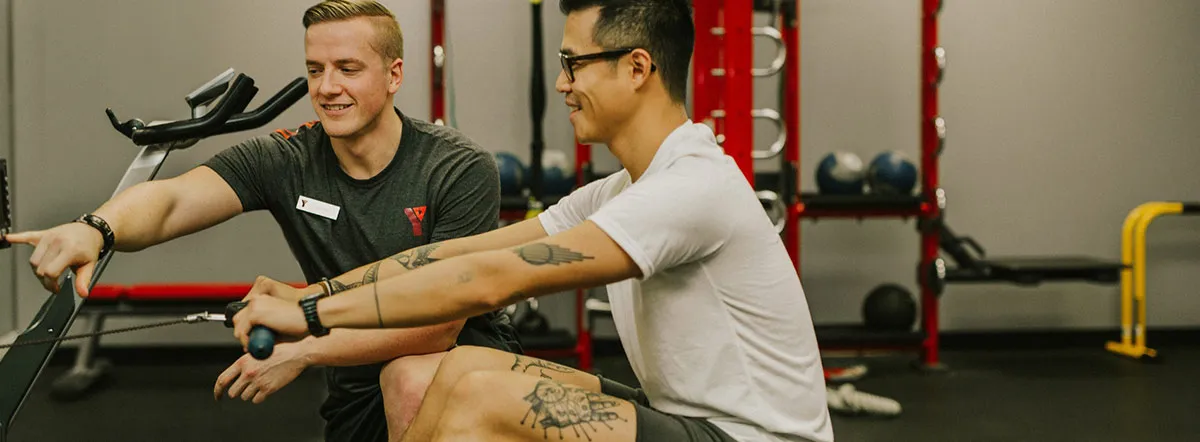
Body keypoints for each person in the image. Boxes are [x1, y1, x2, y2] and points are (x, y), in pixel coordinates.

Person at [233, 1, 835, 441]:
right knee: (445, 367)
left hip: (750, 438)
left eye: (574, 64)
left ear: (636, 67)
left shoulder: (690, 186)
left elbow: (491, 281)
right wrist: (315, 291)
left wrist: (307, 319)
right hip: (685, 417)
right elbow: (456, 256)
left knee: (479, 396)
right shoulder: (623, 190)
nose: (561, 84)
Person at [1, 1, 520, 441]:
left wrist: (306, 349)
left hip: (457, 367)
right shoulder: (289, 158)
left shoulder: (456, 166)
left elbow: (438, 325)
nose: (328, 87)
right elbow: (174, 200)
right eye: (316, 70)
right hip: (354, 380)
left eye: (348, 68)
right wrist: (96, 227)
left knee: (408, 379)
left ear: (394, 75)